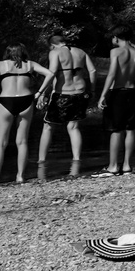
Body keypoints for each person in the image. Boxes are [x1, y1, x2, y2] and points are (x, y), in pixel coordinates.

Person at [0, 45, 50, 185]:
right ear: (23, 52)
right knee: (22, 142)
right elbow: (50, 74)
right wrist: (39, 92)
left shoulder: (1, 64)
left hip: (6, 101)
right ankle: (20, 177)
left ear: (7, 53)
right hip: (26, 100)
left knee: (0, 143)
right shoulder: (30, 64)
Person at [35, 32, 97, 179]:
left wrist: (42, 93)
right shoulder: (81, 52)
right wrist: (93, 90)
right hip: (80, 92)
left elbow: (52, 72)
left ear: (52, 45)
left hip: (63, 93)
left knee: (48, 126)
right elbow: (93, 70)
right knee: (73, 127)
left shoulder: (55, 52)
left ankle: (41, 162)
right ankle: (76, 162)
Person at [97, 29, 135, 176]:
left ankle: (112, 166)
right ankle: (127, 165)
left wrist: (103, 95)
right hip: (131, 91)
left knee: (116, 130)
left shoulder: (116, 52)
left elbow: (112, 74)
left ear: (116, 37)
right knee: (130, 129)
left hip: (117, 92)